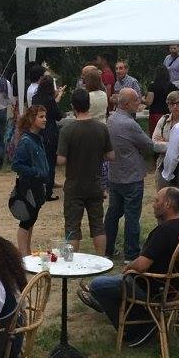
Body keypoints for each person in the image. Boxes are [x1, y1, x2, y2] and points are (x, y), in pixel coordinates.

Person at [82, 187, 179, 347]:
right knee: (111, 280)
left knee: (97, 285)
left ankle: (136, 327)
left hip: (152, 288)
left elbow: (142, 265)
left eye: (157, 200)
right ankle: (105, 301)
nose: (153, 204)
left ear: (167, 204)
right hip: (177, 286)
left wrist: (128, 268)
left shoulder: (163, 231)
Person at [58, 88, 114, 254]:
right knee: (98, 226)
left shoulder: (67, 130)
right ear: (89, 104)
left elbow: (61, 160)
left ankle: (72, 262)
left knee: (72, 227)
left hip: (74, 185)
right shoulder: (101, 128)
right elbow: (111, 155)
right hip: (95, 183)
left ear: (73, 106)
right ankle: (102, 258)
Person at [104, 88, 155, 262]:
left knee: (113, 213)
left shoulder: (111, 119)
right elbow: (148, 145)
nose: (139, 103)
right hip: (131, 176)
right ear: (126, 104)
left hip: (115, 174)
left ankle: (107, 249)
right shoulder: (129, 124)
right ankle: (131, 254)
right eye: (135, 100)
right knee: (132, 216)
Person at [10, 105, 50, 255]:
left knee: (32, 219)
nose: (44, 119)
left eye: (45, 116)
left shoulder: (37, 138)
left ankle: (27, 251)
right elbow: (16, 164)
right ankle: (23, 255)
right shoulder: (26, 141)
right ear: (32, 119)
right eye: (41, 117)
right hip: (29, 186)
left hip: (38, 185)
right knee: (26, 221)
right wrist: (36, 172)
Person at [30, 76, 63, 201]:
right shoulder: (50, 100)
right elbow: (58, 116)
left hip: (37, 131)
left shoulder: (35, 98)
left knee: (38, 161)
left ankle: (37, 188)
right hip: (50, 133)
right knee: (50, 162)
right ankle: (48, 191)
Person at [152, 89, 179, 178]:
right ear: (167, 105)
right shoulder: (163, 120)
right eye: (171, 104)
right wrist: (176, 146)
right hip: (163, 166)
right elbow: (155, 145)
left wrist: (165, 144)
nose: (175, 107)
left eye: (177, 103)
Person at [147, 63, 175, 135]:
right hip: (168, 115)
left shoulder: (152, 86)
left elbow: (149, 101)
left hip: (155, 114)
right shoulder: (172, 87)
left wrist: (143, 100)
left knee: (155, 136)